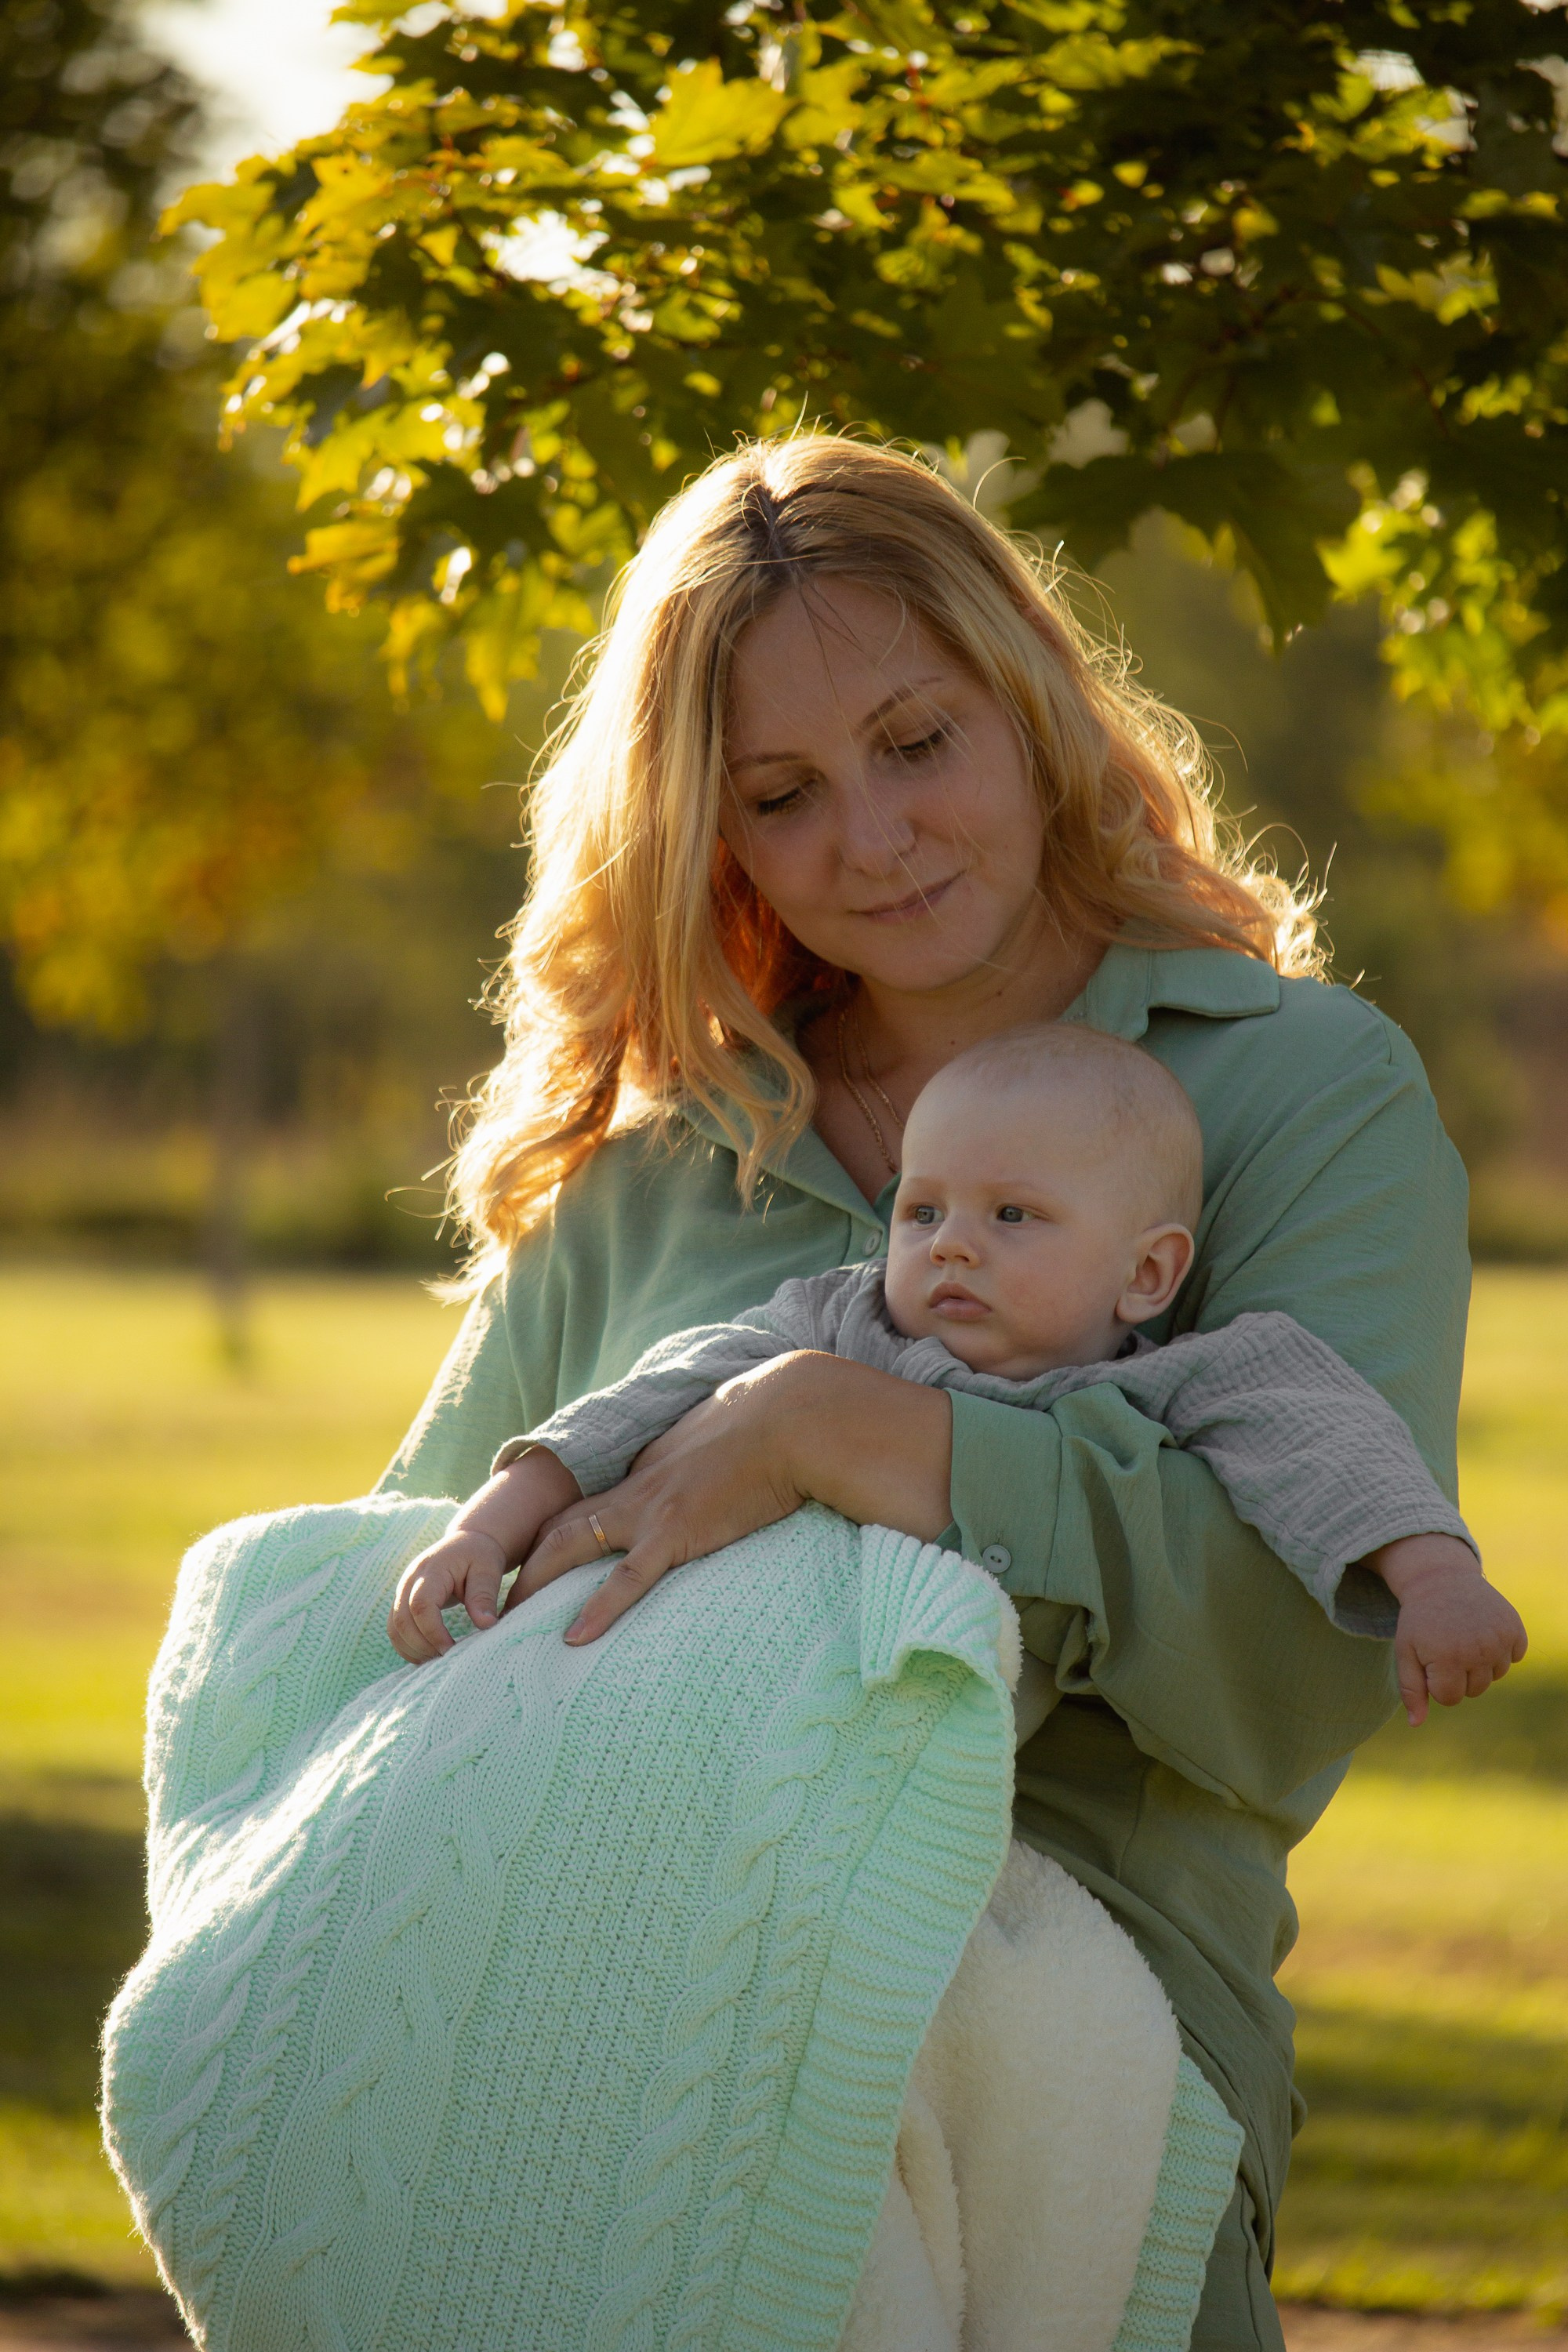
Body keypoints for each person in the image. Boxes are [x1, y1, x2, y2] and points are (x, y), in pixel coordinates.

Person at [379, 431, 1479, 2350]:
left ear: (1031, 702)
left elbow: (1305, 1667)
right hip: (580, 2005)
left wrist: (857, 1438)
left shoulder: (1299, 1091)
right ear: (706, 833)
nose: (868, 842)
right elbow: (406, 1607)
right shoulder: (654, 1165)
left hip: (1078, 2030)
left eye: (914, 743)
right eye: (782, 797)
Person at [387, 1022, 1524, 1744]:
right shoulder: (839, 1322)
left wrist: (1433, 1578)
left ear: (1147, 1272)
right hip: (687, 1687)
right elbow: (646, 1395)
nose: (952, 1247)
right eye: (923, 1212)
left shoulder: (1179, 1387)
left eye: (1013, 1215)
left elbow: (1332, 1447)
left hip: (898, 1745)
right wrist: (496, 1518)